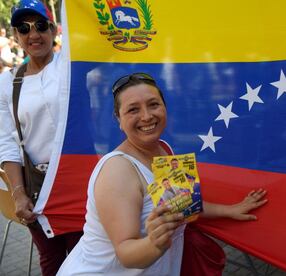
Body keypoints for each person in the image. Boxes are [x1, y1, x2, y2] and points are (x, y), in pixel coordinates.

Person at [57, 72, 267, 275]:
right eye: (133, 110)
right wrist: (153, 243)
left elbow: (184, 206)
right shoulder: (117, 170)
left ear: (165, 108)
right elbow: (126, 254)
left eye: (153, 104)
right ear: (118, 119)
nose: (147, 116)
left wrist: (229, 210)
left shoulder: (165, 150)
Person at [0, 1, 83, 275]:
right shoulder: (8, 82)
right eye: (24, 28)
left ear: (54, 29)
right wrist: (19, 194)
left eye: (41, 26)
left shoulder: (71, 65)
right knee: (51, 263)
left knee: (86, 261)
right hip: (38, 189)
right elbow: (8, 143)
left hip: (79, 182)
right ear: (16, 35)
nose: (33, 34)